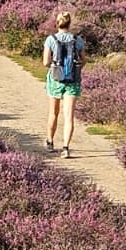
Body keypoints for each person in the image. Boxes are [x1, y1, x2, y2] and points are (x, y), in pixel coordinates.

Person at [42, 11, 82, 158]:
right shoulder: (77, 40)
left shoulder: (50, 39)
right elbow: (84, 60)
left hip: (55, 79)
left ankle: (50, 142)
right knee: (69, 117)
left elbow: (46, 62)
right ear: (70, 23)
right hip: (73, 80)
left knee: (53, 113)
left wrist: (55, 66)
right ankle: (66, 148)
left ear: (57, 23)